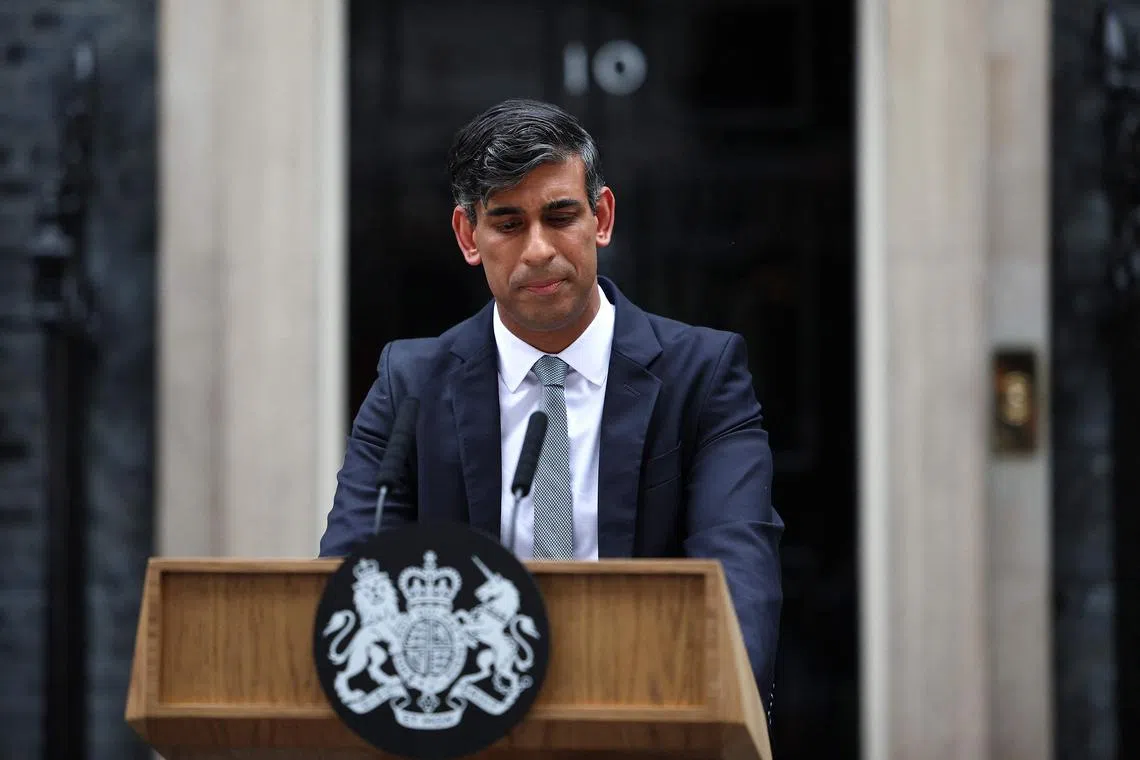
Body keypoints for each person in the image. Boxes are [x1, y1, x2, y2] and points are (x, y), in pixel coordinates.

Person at [319, 98, 783, 712]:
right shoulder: (410, 385)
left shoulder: (702, 376)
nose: (538, 249)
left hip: (647, 720)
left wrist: (715, 710)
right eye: (509, 224)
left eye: (560, 215)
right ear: (468, 236)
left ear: (602, 217)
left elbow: (737, 577)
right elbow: (353, 576)